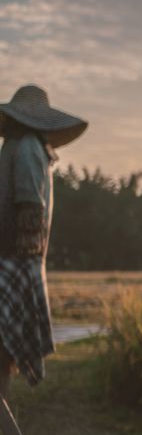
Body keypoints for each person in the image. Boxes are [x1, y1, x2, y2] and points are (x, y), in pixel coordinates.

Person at [0, 85, 88, 387]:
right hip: (18, 261)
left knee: (4, 347)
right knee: (4, 347)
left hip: (12, 259)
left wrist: (24, 254)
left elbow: (28, 205)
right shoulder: (29, 147)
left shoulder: (22, 146)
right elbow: (29, 204)